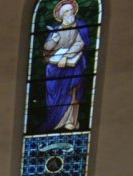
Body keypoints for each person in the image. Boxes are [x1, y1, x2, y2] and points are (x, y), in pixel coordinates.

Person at [42, 0, 90, 132]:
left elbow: (81, 44)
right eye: (67, 11)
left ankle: (70, 120)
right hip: (55, 69)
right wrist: (54, 40)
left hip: (73, 65)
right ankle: (55, 121)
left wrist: (66, 56)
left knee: (72, 91)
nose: (71, 13)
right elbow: (46, 49)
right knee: (54, 94)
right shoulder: (56, 30)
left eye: (71, 10)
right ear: (62, 15)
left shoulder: (80, 26)